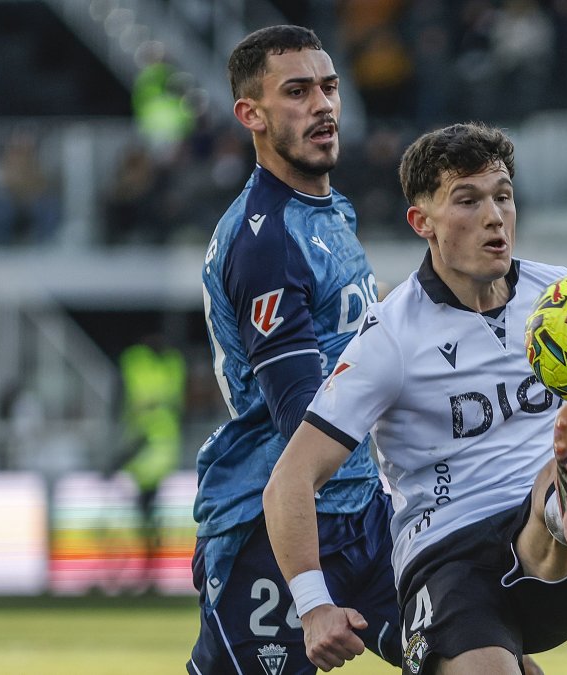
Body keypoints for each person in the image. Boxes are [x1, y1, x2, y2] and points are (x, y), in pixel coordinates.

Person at [263, 121, 567, 674]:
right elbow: (290, 480)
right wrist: (313, 608)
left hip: (553, 547)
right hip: (447, 553)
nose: (494, 215)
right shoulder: (391, 336)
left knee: (559, 469)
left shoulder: (560, 300)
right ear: (421, 222)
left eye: (503, 196)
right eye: (468, 200)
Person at [187, 25, 402, 673]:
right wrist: (311, 599)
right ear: (250, 114)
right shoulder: (268, 241)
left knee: (479, 655)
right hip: (272, 526)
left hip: (360, 508)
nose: (323, 105)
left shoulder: (330, 209)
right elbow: (304, 419)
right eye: (298, 91)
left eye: (330, 88)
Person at [109, 336, 186, 591]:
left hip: (150, 450)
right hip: (153, 449)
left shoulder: (145, 364)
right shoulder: (164, 365)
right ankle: (146, 572)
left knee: (145, 516)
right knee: (145, 517)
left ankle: (145, 573)